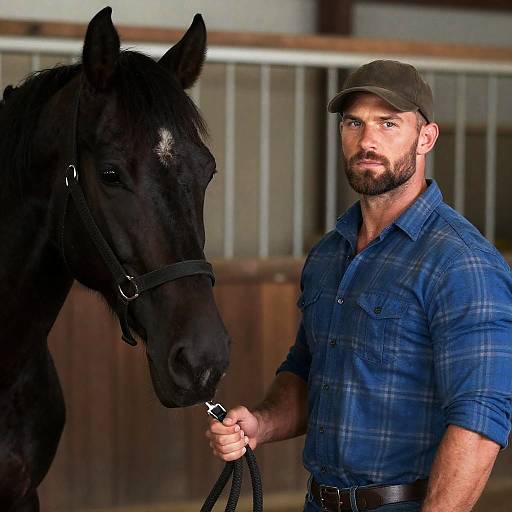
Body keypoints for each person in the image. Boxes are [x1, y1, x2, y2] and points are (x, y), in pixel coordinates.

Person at [206, 60, 512, 512]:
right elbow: (307, 370)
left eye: (389, 123)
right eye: (354, 123)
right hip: (321, 502)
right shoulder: (329, 254)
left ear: (426, 138)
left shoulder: (461, 261)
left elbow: (480, 420)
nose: (367, 141)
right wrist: (262, 424)